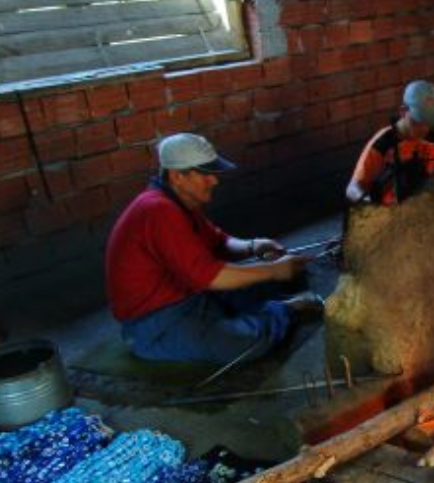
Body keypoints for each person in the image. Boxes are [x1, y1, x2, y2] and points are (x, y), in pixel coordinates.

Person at [105, 133, 321, 365]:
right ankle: (286, 310)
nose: (214, 181)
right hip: (155, 323)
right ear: (178, 176)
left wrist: (254, 246)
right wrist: (274, 270)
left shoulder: (179, 202)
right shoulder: (158, 210)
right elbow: (210, 276)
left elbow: (218, 242)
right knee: (244, 343)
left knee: (278, 280)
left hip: (191, 296)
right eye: (205, 174)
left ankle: (264, 311)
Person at [346, 80, 434, 206]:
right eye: (418, 121)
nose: (424, 128)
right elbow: (351, 190)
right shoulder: (383, 144)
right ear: (403, 111)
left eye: (429, 121)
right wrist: (370, 203)